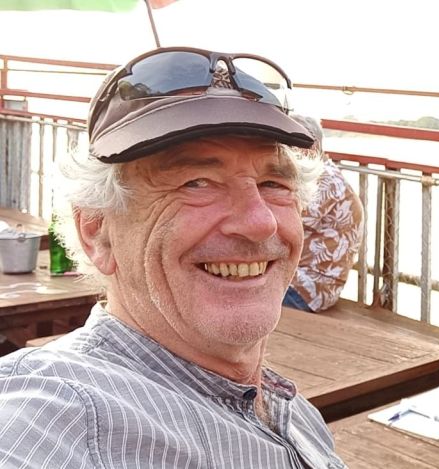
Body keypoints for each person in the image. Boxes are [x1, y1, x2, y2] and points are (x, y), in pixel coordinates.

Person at [0, 47, 347, 468]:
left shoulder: (291, 410)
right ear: (97, 232)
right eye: (196, 182)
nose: (260, 223)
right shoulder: (62, 415)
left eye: (274, 183)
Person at [283, 115, 364, 313]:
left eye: (288, 144)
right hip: (307, 282)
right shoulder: (323, 174)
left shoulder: (324, 180)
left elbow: (282, 226)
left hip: (308, 286)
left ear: (310, 147)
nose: (282, 151)